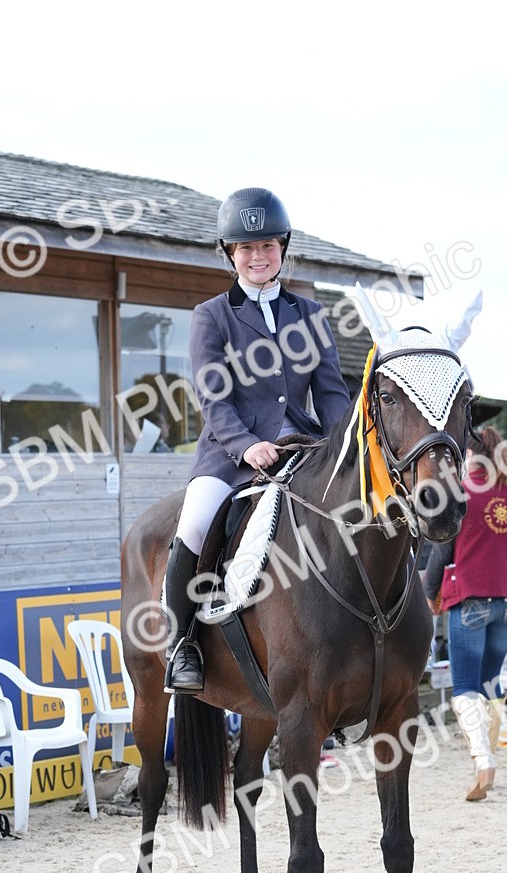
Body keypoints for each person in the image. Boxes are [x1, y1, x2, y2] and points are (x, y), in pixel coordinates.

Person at [163, 187, 350, 693]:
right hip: (231, 454)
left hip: (303, 448)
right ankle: (183, 645)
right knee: (196, 524)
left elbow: (331, 394)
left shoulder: (310, 314)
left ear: (283, 248)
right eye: (246, 248)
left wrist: (343, 447)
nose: (258, 256)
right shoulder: (212, 315)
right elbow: (212, 396)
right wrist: (245, 444)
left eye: (267, 245)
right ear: (230, 254)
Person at [423, 427, 507, 801]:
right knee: (491, 682)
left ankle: (483, 760)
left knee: (465, 687)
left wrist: (430, 593)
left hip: (469, 597)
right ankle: (488, 759)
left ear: (469, 455)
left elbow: (442, 551)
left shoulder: (460, 493)